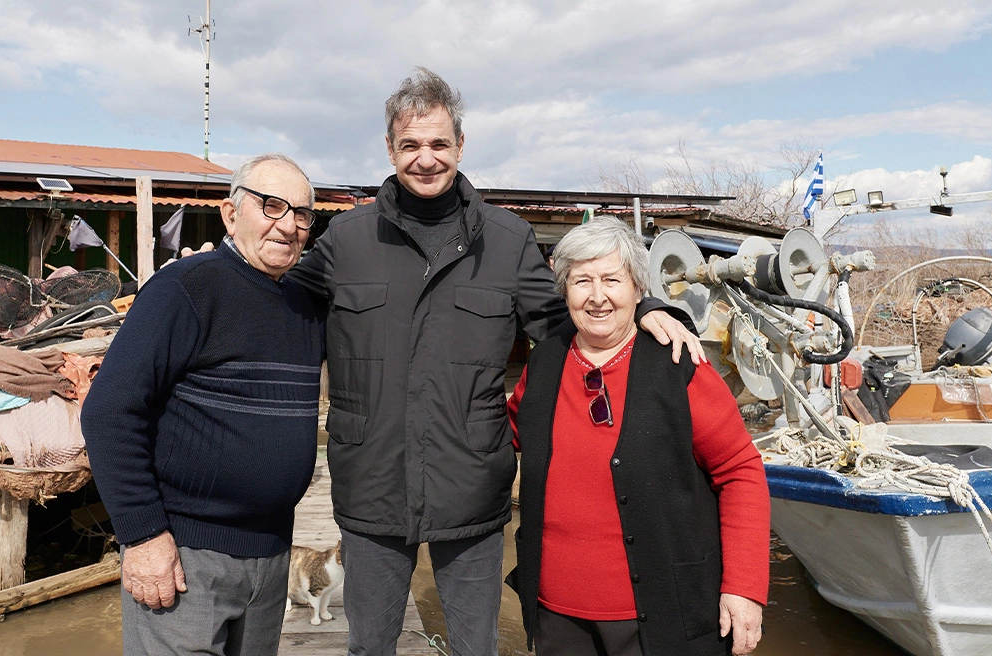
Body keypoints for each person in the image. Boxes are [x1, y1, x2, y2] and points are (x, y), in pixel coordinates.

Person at [285, 67, 704, 656]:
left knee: (476, 647)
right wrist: (213, 272)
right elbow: (276, 305)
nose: (425, 159)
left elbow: (570, 319)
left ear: (461, 145)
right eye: (410, 145)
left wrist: (647, 307)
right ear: (389, 149)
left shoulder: (506, 240)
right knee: (369, 646)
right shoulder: (346, 239)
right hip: (370, 486)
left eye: (438, 144)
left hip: (472, 486)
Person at [82, 153, 324, 656]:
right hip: (186, 555)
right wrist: (144, 536)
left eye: (301, 214)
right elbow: (109, 413)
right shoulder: (184, 289)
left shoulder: (303, 305)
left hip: (271, 553)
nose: (288, 225)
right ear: (230, 214)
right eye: (272, 205)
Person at [505, 217, 770, 656]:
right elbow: (506, 434)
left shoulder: (678, 363)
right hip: (558, 616)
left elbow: (739, 472)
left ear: (637, 289)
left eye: (612, 279)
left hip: (663, 615)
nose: (597, 296)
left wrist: (743, 588)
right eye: (581, 281)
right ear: (564, 289)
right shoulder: (545, 362)